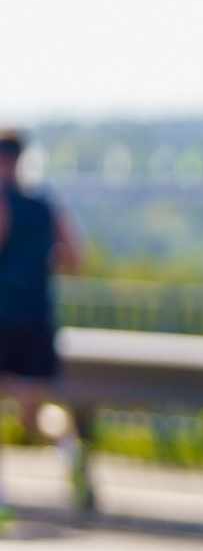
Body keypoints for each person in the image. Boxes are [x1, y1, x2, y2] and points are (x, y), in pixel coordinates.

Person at [0, 129, 87, 505]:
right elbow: (74, 259)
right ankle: (70, 450)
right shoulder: (45, 203)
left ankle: (1, 499)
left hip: (3, 317)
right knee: (34, 415)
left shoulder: (2, 203)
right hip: (38, 317)